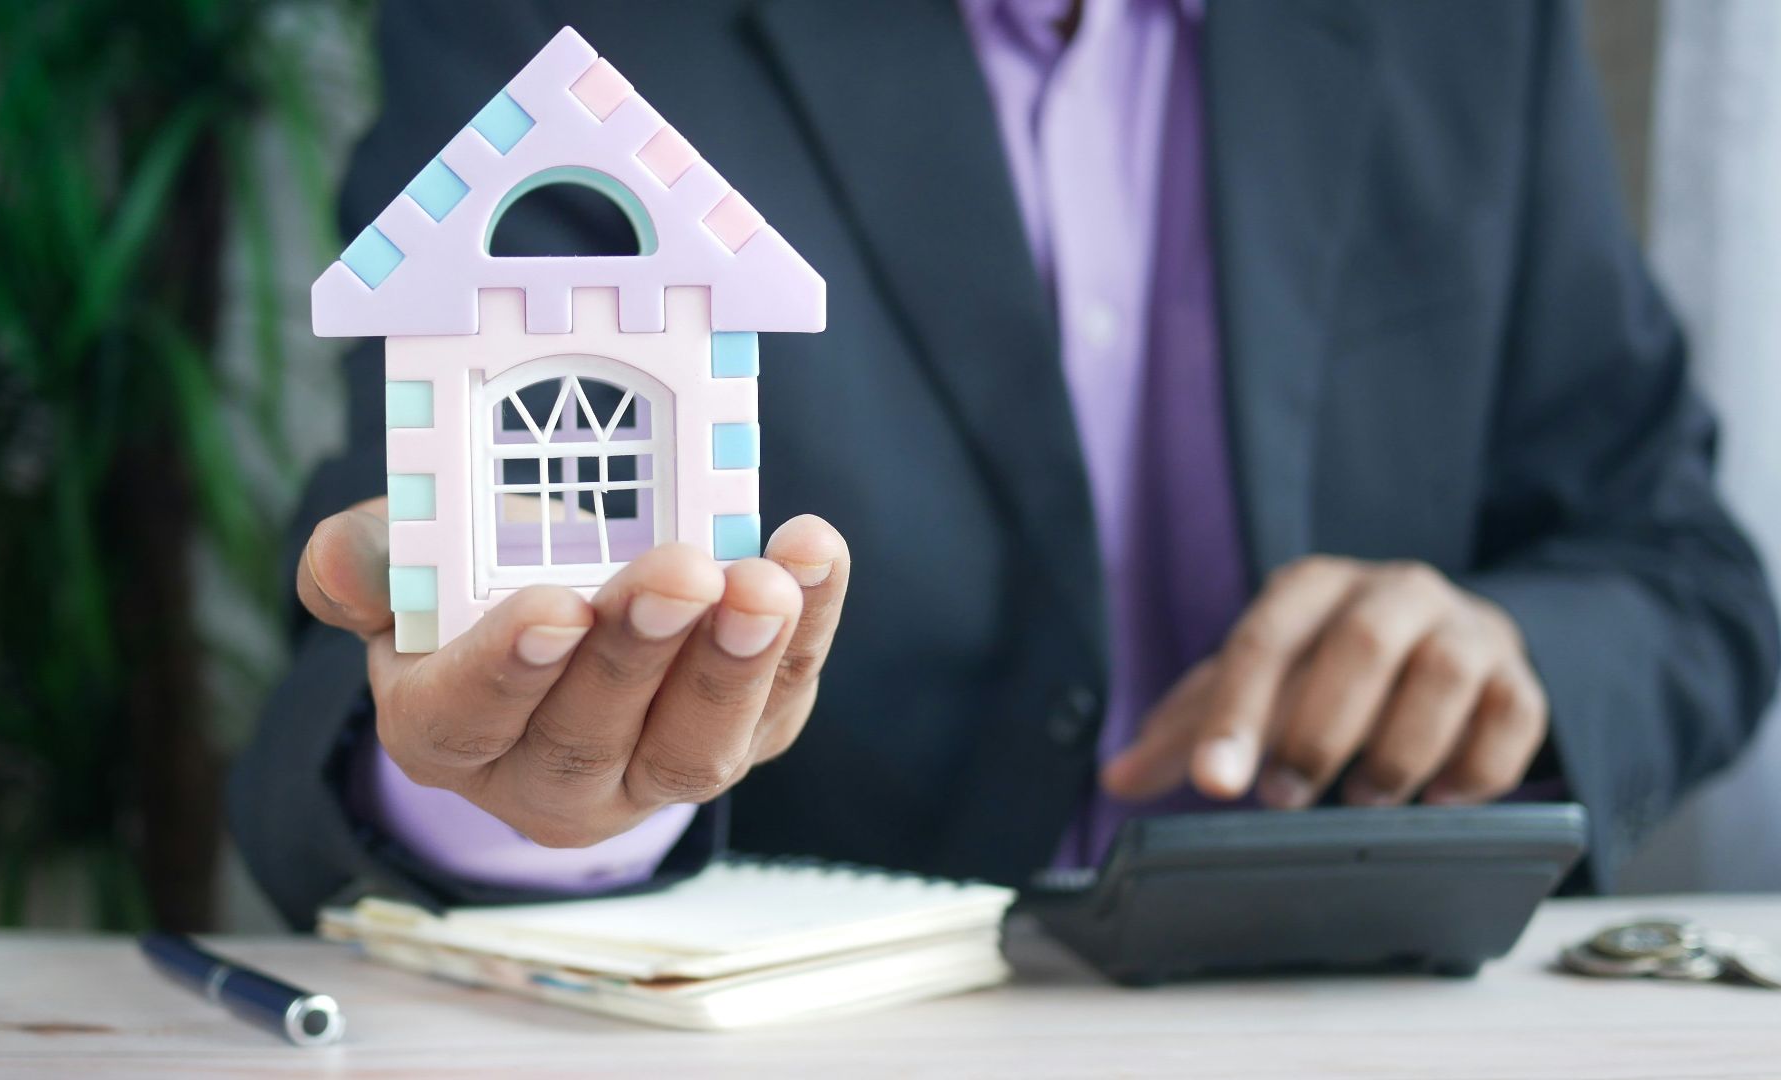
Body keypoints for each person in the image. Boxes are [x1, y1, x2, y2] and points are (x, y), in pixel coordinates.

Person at [231, 0, 1780, 928]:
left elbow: (1682, 575)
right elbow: (394, 614)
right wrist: (527, 795)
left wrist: (1512, 655)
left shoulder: (1468, 26)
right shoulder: (562, 28)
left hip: (1355, 1011)